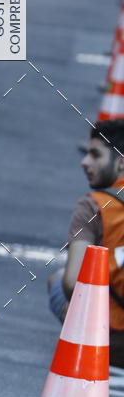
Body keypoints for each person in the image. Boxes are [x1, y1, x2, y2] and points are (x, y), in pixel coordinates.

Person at [48, 120, 124, 367]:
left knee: (57, 280)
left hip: (113, 334)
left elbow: (73, 283)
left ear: (121, 162)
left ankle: (82, 347)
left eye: (95, 155)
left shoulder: (93, 206)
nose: (85, 162)